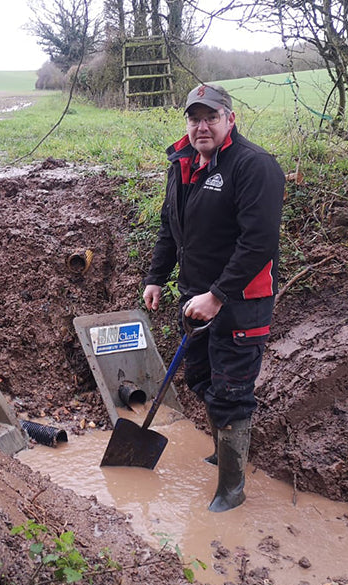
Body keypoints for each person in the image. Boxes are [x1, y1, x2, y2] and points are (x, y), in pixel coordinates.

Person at [142, 83, 284, 512]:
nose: (202, 126)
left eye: (211, 117)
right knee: (201, 380)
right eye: (194, 118)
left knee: (232, 390)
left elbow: (258, 242)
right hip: (194, 299)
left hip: (240, 302)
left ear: (230, 119)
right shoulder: (182, 162)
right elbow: (171, 227)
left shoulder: (254, 166)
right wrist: (156, 277)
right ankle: (222, 452)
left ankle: (232, 488)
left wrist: (218, 296)